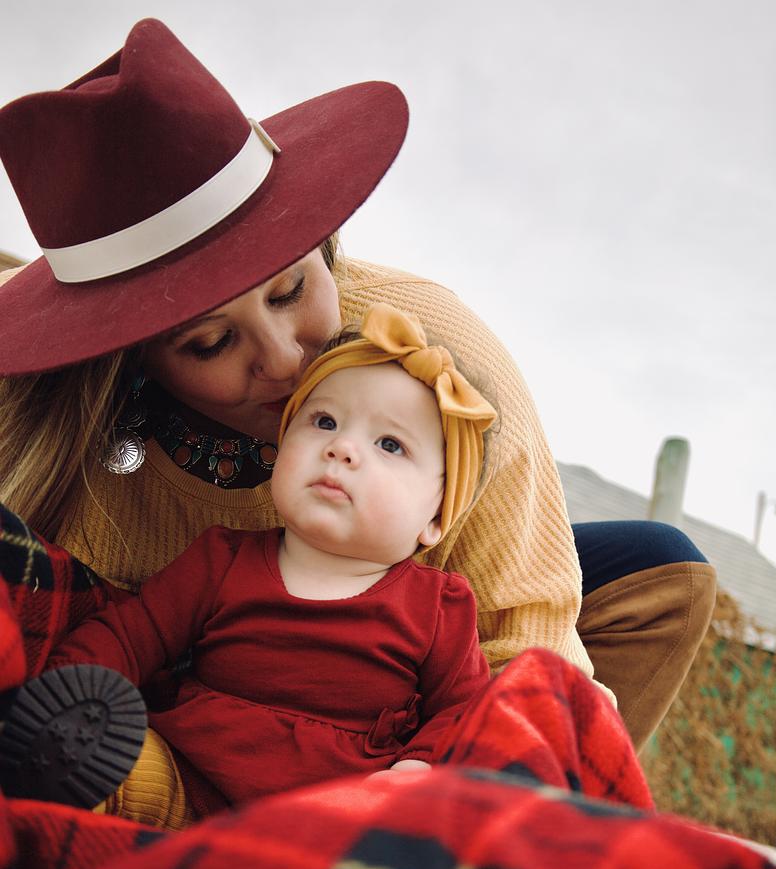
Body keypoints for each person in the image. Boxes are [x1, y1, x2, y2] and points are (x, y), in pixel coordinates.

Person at [0, 17, 714, 784]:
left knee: (661, 567)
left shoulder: (438, 353)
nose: (285, 359)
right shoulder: (61, 423)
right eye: (211, 343)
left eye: (291, 290)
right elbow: (107, 637)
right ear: (128, 361)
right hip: (203, 687)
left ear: (322, 241)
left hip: (394, 669)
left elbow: (527, 642)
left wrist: (442, 782)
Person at [43, 304, 497, 825]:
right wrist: (68, 685)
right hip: (187, 776)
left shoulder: (437, 607)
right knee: (113, 762)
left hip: (332, 817)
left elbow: (465, 711)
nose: (342, 448)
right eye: (324, 421)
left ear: (435, 518)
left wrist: (421, 765)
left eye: (390, 444)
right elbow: (130, 635)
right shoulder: (222, 559)